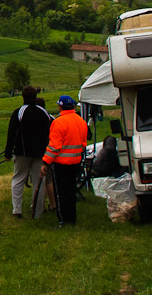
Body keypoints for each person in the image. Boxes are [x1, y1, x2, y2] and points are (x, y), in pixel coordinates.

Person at [5, 85, 53, 219]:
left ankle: (17, 210)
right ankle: (37, 212)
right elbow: (48, 133)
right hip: (40, 153)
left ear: (23, 97)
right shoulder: (43, 112)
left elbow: (12, 133)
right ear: (35, 96)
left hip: (22, 152)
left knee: (18, 179)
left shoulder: (19, 112)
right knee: (38, 182)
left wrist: (8, 152)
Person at [41, 95, 89, 227]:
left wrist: (45, 162)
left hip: (61, 163)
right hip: (76, 161)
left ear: (60, 106)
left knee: (61, 193)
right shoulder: (81, 121)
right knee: (71, 191)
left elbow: (54, 146)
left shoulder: (58, 122)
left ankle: (63, 220)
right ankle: (72, 218)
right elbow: (84, 142)